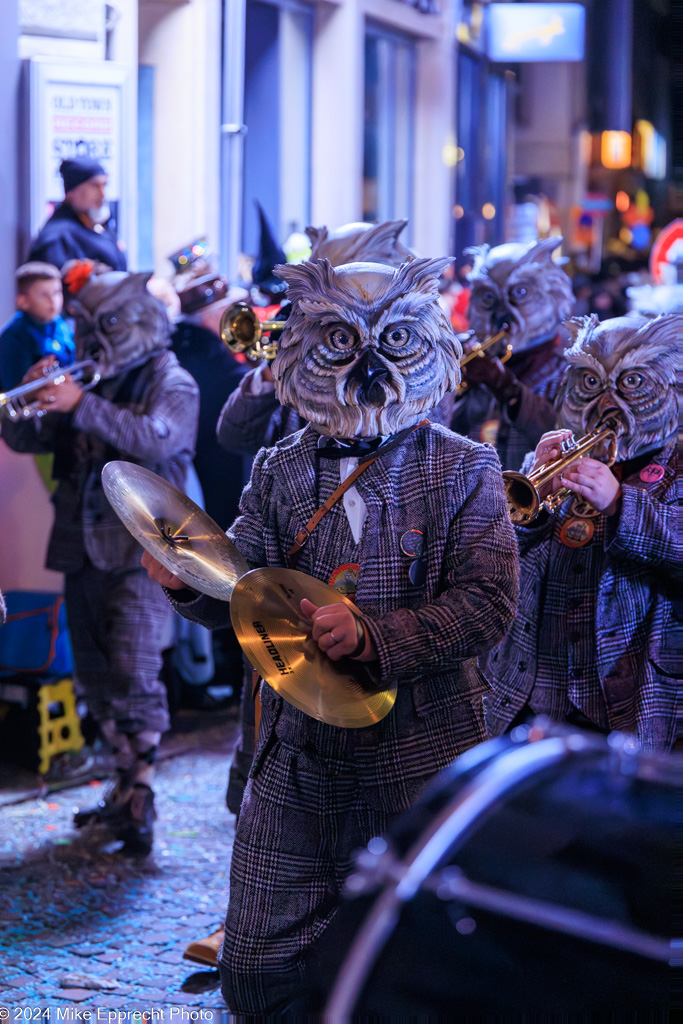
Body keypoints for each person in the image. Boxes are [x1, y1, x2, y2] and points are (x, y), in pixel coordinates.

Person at [143, 255, 519, 1012]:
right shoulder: (280, 467)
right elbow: (243, 589)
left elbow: (488, 603)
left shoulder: (465, 467)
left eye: (394, 342)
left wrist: (378, 636)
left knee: (421, 969)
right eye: (345, 342)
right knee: (253, 973)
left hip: (421, 757)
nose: (372, 366)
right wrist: (190, 587)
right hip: (297, 758)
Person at [1, 262, 199, 854]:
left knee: (134, 670)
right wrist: (36, 395)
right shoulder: (93, 376)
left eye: (99, 327)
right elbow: (23, 438)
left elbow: (160, 440)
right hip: (79, 545)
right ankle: (119, 784)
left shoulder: (172, 377)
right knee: (95, 675)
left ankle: (142, 791)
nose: (88, 342)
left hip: (143, 551)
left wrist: (81, 403)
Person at [485, 313, 679, 752]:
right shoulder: (572, 455)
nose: (608, 403)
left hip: (633, 706)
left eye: (631, 385)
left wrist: (620, 505)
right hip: (535, 697)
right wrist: (531, 505)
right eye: (592, 384)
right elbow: (502, 569)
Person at [450, 237, 575, 470]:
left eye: (520, 293)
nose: (501, 312)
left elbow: (567, 440)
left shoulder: (568, 375)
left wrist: (507, 387)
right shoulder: (474, 363)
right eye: (489, 297)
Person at [28, 158, 127, 272]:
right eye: (94, 186)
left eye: (104, 185)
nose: (102, 194)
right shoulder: (58, 238)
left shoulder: (99, 229)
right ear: (72, 192)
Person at [0, 263, 74, 391]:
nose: (53, 301)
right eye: (44, 295)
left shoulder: (62, 325)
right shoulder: (14, 338)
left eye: (57, 292)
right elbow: (12, 390)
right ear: (23, 302)